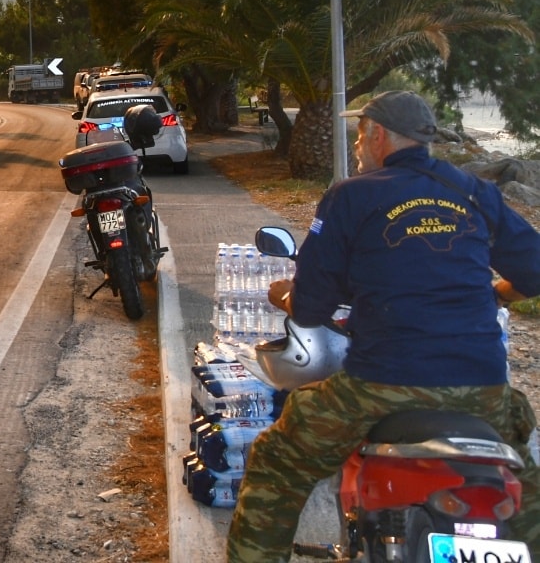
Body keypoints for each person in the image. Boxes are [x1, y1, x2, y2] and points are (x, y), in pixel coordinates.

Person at [227, 90, 540, 561]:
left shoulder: (352, 194)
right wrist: (500, 293)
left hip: (382, 383)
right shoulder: (473, 191)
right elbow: (534, 271)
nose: (356, 147)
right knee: (526, 491)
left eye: (358, 135)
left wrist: (284, 295)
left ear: (376, 136)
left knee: (277, 460)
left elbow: (312, 307)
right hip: (483, 388)